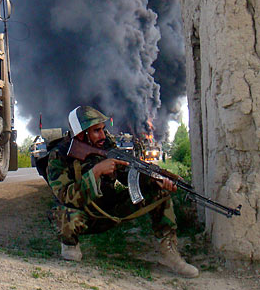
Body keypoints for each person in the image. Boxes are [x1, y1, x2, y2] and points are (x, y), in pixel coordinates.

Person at [46, 105, 199, 278]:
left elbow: (128, 175)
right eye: (96, 131)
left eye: (103, 129)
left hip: (110, 210)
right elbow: (65, 196)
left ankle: (171, 253)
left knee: (159, 192)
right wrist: (96, 172)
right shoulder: (60, 155)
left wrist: (153, 179)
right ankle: (70, 244)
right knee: (62, 214)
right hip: (84, 215)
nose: (103, 135)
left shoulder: (106, 145)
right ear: (81, 134)